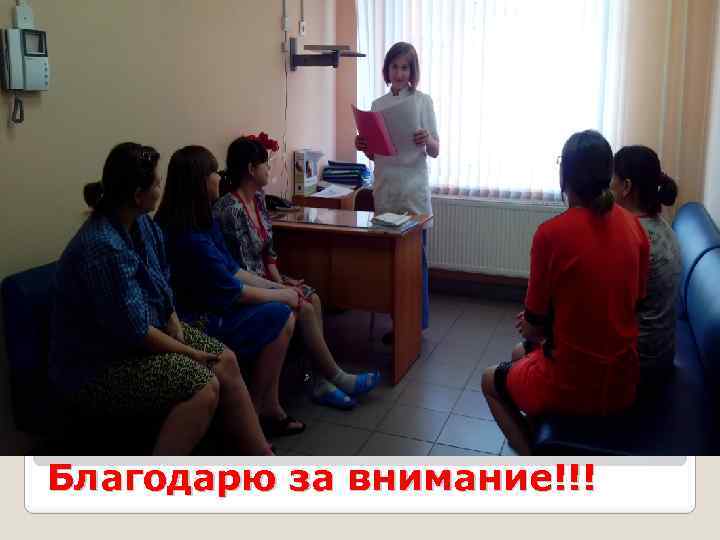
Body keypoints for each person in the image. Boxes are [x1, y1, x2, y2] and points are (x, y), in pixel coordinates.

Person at [49, 142, 272, 455]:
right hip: (99, 366)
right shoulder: (103, 247)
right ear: (137, 195)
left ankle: (261, 457)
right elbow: (135, 331)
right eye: (156, 184)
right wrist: (191, 354)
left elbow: (161, 281)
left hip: (143, 337)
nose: (161, 188)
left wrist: (174, 322)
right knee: (203, 385)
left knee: (227, 361)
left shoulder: (141, 224)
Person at [481, 131, 650, 455]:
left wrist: (535, 323)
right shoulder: (634, 227)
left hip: (574, 383)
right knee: (520, 354)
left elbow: (534, 329)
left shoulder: (551, 234)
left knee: (490, 380)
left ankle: (537, 464)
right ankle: (548, 444)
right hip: (622, 380)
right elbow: (633, 306)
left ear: (565, 176)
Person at [214, 136, 380, 410]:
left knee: (313, 298)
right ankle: (334, 377)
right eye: (265, 164)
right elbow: (242, 268)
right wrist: (281, 290)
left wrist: (282, 280)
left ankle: (320, 381)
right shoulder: (230, 210)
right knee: (304, 306)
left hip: (264, 281)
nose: (269, 169)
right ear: (250, 169)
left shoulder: (258, 199)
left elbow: (268, 252)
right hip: (246, 290)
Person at [154, 145, 305, 438]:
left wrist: (280, 287)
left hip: (218, 301)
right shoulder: (187, 236)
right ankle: (256, 413)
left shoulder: (204, 221)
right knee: (283, 313)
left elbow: (234, 270)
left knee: (290, 307)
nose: (219, 178)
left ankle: (266, 407)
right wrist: (281, 295)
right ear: (200, 182)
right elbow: (234, 290)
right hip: (198, 317)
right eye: (214, 173)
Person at [355, 41, 439, 341]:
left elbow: (435, 150)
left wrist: (426, 138)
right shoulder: (377, 105)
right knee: (391, 260)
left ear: (412, 71)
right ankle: (396, 321)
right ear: (387, 69)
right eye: (395, 66)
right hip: (386, 187)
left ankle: (415, 323)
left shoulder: (423, 101)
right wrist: (363, 146)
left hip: (413, 190)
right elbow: (374, 154)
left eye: (405, 67)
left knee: (416, 260)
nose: (399, 73)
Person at [610, 145, 681, 384]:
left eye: (612, 179)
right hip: (662, 355)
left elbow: (613, 308)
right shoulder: (662, 226)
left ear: (626, 187)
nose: (608, 186)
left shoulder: (633, 238)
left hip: (639, 363)